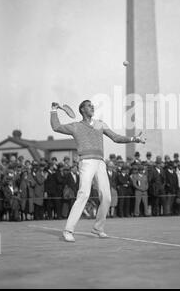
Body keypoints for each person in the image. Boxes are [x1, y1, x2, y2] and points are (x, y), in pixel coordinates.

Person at [50, 100, 146, 242]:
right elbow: (56, 126)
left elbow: (116, 138)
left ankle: (97, 229)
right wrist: (53, 110)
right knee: (84, 194)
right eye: (89, 105)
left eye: (92, 105)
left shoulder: (100, 124)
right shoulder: (75, 126)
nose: (92, 107)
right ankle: (68, 230)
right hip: (86, 162)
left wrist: (135, 138)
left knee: (107, 197)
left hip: (100, 163)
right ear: (82, 109)